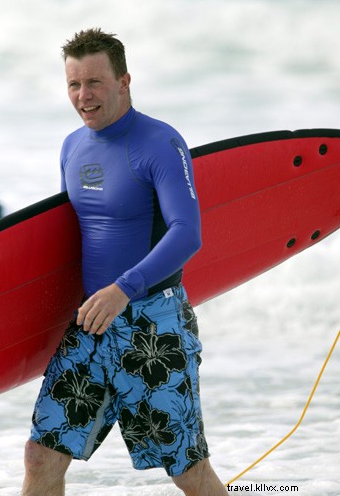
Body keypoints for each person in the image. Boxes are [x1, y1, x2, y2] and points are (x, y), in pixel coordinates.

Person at [21, 28, 225, 496]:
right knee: (41, 454)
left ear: (124, 81)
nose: (83, 95)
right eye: (73, 84)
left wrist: (123, 289)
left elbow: (187, 233)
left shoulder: (159, 141)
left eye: (94, 82)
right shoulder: (72, 146)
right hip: (92, 322)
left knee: (186, 469)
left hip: (154, 324)